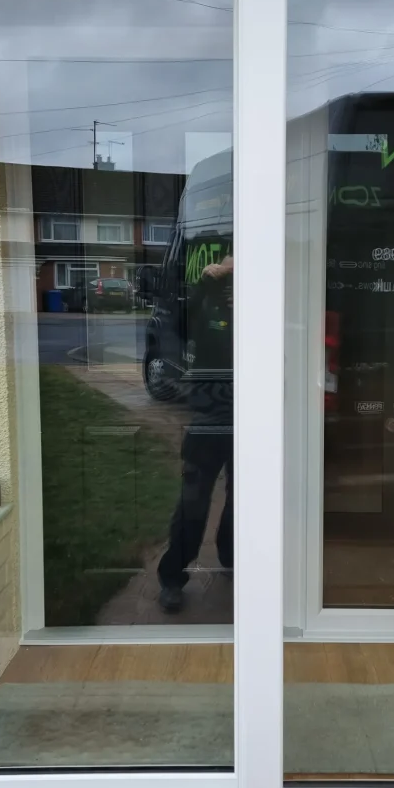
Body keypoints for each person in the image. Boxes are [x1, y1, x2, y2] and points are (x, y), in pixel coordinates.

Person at [157, 254, 233, 613]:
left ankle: (232, 557)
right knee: (193, 499)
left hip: (256, 419)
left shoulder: (268, 300)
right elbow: (177, 326)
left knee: (246, 498)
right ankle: (172, 577)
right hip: (208, 416)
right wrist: (207, 283)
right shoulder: (208, 296)